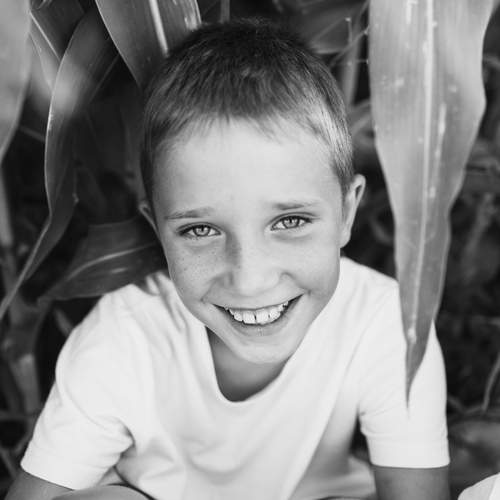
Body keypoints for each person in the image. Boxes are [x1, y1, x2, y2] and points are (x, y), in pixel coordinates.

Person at [6, 18, 450, 500]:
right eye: (200, 230)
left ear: (347, 212)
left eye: (290, 221)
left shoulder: (387, 323)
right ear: (157, 230)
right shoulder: (124, 340)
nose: (250, 279)